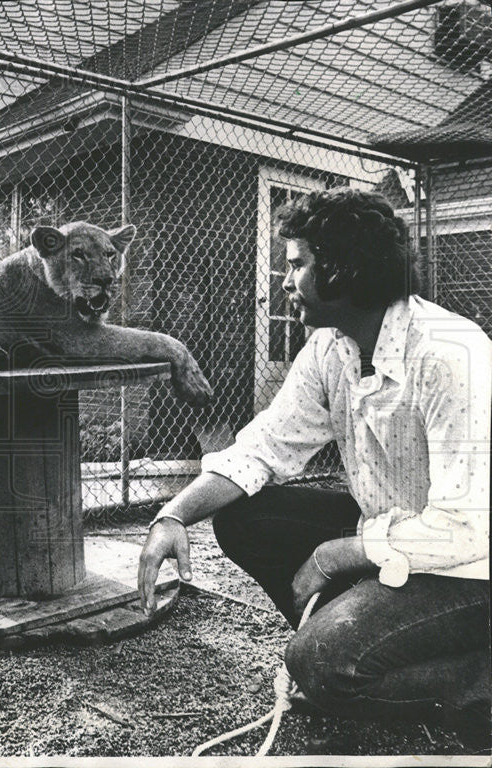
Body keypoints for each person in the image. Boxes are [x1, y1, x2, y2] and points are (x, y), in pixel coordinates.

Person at [138, 187, 491, 748]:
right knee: (244, 515)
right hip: (394, 538)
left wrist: (334, 556)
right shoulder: (333, 346)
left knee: (323, 667)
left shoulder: (450, 352)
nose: (283, 281)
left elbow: (466, 527)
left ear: (345, 270)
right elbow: (264, 449)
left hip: (472, 567)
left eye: (297, 264)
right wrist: (173, 516)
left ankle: (473, 682)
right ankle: (356, 632)